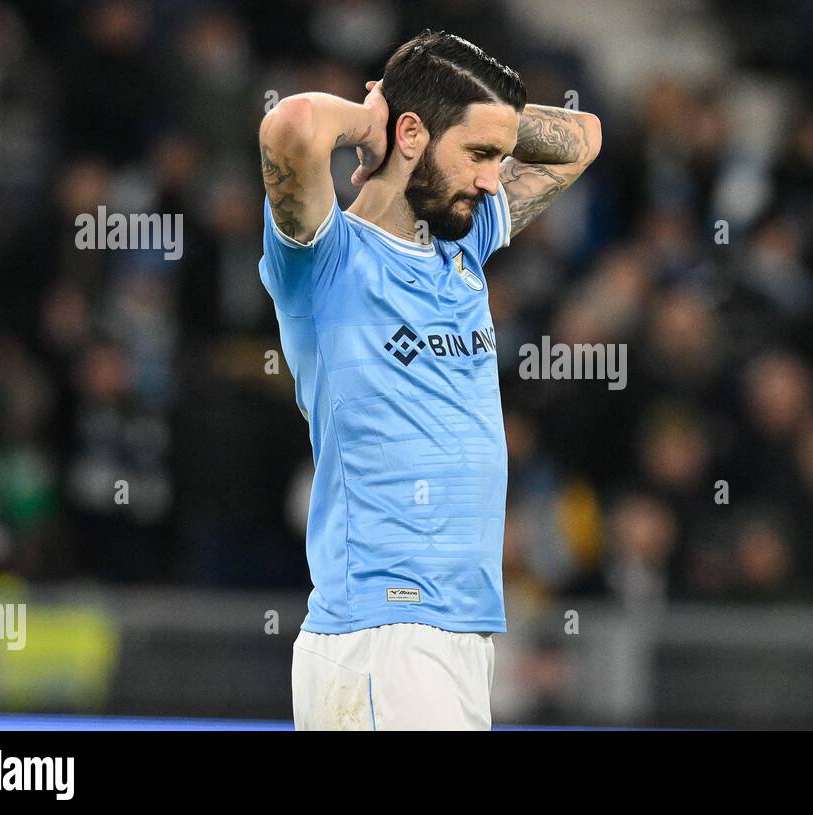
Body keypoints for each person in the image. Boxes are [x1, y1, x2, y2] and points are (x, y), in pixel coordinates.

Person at [257, 29, 600, 730]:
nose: (490, 177)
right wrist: (372, 117)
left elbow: (583, 137)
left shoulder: (462, 244)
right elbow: (290, 124)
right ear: (409, 134)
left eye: (499, 158)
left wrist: (488, 122)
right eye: (478, 155)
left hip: (456, 632)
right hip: (384, 632)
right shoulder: (329, 261)